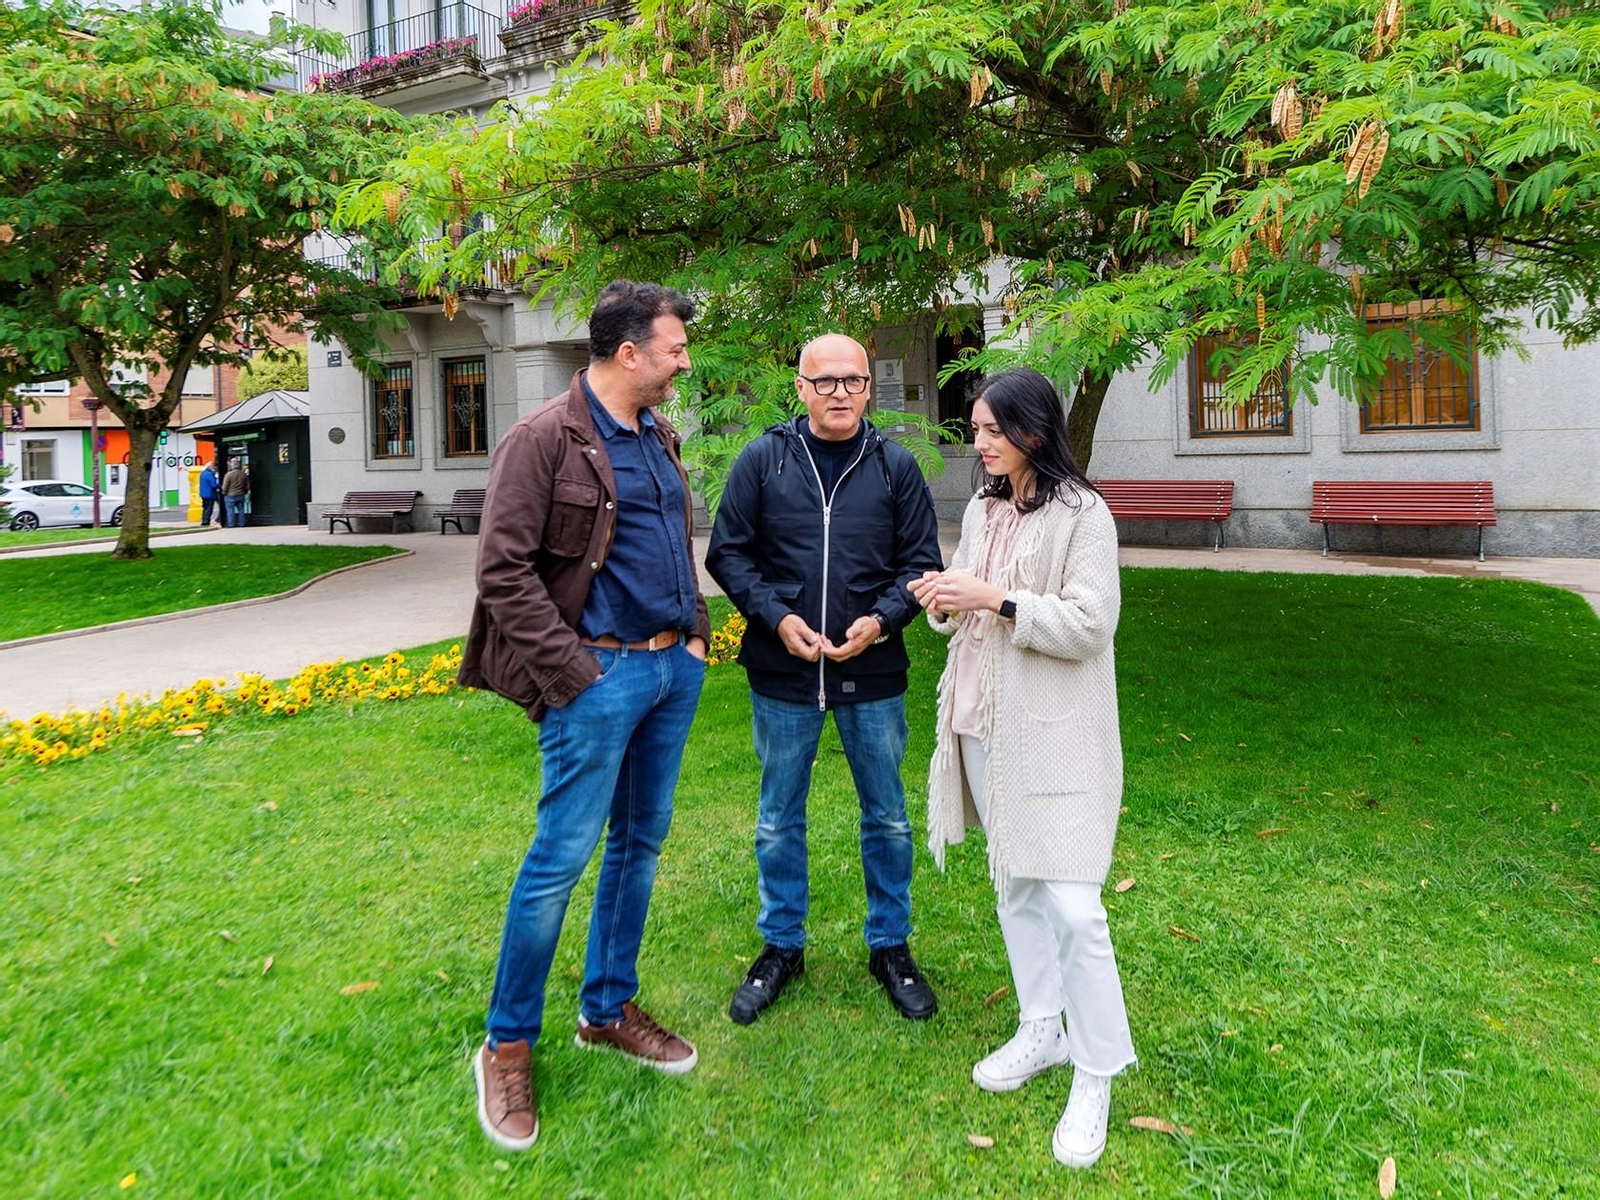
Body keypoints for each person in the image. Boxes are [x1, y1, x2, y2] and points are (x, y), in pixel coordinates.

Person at [457, 280, 710, 1152]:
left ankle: (605, 1010)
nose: (684, 360)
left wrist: (697, 640)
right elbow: (503, 573)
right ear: (629, 352)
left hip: (670, 671)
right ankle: (507, 1043)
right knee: (560, 860)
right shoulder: (541, 440)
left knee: (639, 848)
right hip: (596, 678)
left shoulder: (657, 435)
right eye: (674, 347)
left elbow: (672, 544)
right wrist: (576, 673)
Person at [908, 367, 1136, 1170]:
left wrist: (996, 598)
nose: (978, 443)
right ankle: (1043, 1026)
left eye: (989, 431)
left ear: (1032, 430)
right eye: (974, 430)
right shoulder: (980, 505)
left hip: (1056, 733)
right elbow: (966, 609)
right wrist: (945, 599)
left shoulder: (1085, 514)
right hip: (978, 720)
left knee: (1075, 906)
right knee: (1014, 884)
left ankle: (1097, 1069)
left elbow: (1088, 624)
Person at [706, 333, 944, 1027]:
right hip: (783, 671)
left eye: (852, 380)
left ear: (870, 388)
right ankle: (781, 946)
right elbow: (729, 553)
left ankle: (890, 947)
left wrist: (882, 619)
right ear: (801, 388)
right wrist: (776, 618)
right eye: (825, 381)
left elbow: (920, 565)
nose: (839, 392)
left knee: (889, 818)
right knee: (778, 818)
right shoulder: (764, 459)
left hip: (872, 670)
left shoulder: (896, 467)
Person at [220, 457, 248, 527]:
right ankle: (242, 523)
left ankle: (231, 524)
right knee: (241, 510)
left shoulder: (228, 475)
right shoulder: (243, 474)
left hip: (230, 495)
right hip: (241, 494)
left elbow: (224, 486)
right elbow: (248, 485)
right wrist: (244, 491)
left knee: (230, 510)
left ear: (231, 465)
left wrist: (224, 493)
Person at [198, 460, 221, 527]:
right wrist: (220, 485)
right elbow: (213, 485)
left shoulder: (203, 473)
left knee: (205, 508)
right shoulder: (210, 474)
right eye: (213, 466)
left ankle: (204, 521)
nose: (214, 467)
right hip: (210, 494)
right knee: (209, 509)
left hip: (203, 494)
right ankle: (206, 522)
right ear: (210, 467)